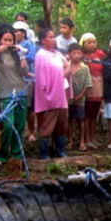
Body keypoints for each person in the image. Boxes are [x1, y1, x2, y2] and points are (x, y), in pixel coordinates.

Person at [0, 25, 29, 166]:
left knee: (19, 125)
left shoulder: (17, 53)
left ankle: (17, 154)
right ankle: (3, 154)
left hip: (21, 91)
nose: (8, 43)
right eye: (5, 40)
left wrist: (21, 54)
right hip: (5, 93)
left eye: (11, 40)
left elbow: (24, 71)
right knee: (8, 124)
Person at [35, 28, 71, 159]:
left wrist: (61, 75)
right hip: (49, 94)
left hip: (61, 93)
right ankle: (44, 152)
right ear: (43, 40)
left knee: (62, 122)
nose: (53, 39)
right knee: (48, 123)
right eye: (50, 37)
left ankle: (60, 149)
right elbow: (41, 77)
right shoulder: (41, 55)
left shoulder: (57, 53)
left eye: (54, 36)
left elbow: (67, 66)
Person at [79, 32, 105, 149]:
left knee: (95, 114)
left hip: (98, 86)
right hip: (87, 87)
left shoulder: (100, 54)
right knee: (86, 114)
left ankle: (93, 138)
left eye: (93, 42)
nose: (92, 44)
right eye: (89, 42)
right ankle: (86, 139)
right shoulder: (81, 55)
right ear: (83, 43)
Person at [68, 43, 92, 152]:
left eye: (79, 53)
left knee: (81, 119)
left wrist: (81, 95)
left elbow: (87, 84)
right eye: (74, 53)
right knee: (70, 120)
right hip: (68, 98)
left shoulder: (85, 68)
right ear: (69, 54)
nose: (76, 55)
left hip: (80, 98)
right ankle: (70, 140)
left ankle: (82, 141)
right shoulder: (66, 66)